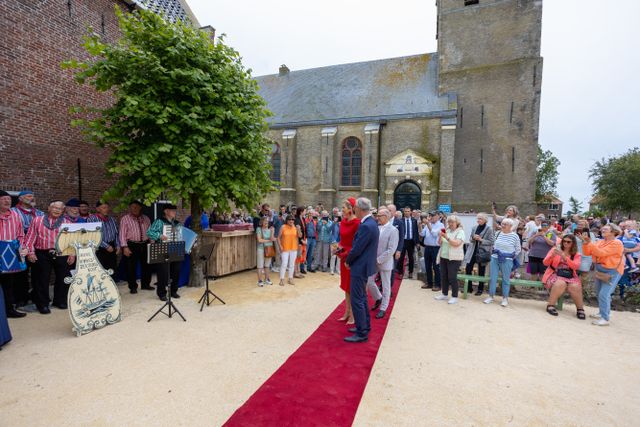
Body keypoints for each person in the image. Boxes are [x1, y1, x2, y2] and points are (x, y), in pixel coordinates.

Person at [24, 200, 74, 313]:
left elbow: (71, 240)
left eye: (60, 209)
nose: (57, 210)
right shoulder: (37, 220)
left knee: (63, 278)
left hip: (62, 253)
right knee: (41, 279)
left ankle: (60, 301)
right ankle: (42, 304)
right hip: (42, 253)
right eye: (55, 208)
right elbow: (30, 238)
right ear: (49, 208)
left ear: (63, 211)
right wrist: (30, 252)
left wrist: (72, 254)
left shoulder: (67, 222)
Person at [344, 197, 379, 343]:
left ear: (359, 209)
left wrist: (348, 260)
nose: (354, 211)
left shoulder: (366, 225)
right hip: (365, 265)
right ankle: (364, 326)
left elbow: (357, 248)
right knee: (362, 299)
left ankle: (361, 332)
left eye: (355, 209)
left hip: (360, 266)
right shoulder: (372, 223)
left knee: (357, 299)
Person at [581, 224, 624, 326]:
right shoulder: (600, 241)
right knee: (599, 292)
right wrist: (586, 243)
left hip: (612, 271)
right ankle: (601, 312)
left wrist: (590, 243)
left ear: (613, 232)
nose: (602, 229)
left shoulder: (617, 243)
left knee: (604, 294)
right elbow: (587, 253)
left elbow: (600, 253)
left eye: (606, 229)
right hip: (600, 269)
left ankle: (605, 318)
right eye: (602, 228)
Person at [11, 190, 44, 306]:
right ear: (20, 198)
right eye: (29, 196)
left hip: (36, 248)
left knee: (38, 273)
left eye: (33, 196)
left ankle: (37, 296)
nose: (32, 198)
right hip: (19, 248)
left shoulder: (39, 213)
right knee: (21, 274)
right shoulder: (12, 212)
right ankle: (21, 298)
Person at [0, 190, 29, 318]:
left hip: (11, 253)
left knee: (8, 283)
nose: (7, 201)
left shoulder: (16, 216)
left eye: (9, 199)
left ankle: (9, 310)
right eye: (4, 199)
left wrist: (23, 248)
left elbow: (21, 235)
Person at [542, 234, 584, 318]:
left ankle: (580, 309)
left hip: (569, 275)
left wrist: (564, 257)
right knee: (560, 283)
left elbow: (575, 266)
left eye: (568, 242)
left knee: (575, 286)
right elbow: (545, 263)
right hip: (554, 273)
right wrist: (552, 255)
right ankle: (550, 305)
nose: (566, 243)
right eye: (564, 241)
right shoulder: (555, 249)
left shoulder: (576, 254)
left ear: (573, 243)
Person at [367, 208, 399, 319]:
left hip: (385, 262)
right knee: (369, 281)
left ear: (386, 216)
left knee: (386, 286)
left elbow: (391, 249)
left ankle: (383, 308)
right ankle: (378, 298)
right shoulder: (377, 228)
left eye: (379, 215)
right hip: (373, 260)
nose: (377, 217)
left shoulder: (393, 230)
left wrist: (379, 259)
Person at [147, 204, 183, 301]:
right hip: (163, 249)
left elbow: (181, 235)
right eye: (172, 210)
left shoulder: (177, 223)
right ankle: (162, 293)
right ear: (166, 211)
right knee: (163, 272)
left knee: (176, 270)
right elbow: (149, 232)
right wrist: (159, 236)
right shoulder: (159, 221)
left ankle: (173, 291)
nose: (175, 212)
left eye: (175, 211)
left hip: (175, 249)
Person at [484, 218, 521, 307]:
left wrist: (509, 256)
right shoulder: (497, 233)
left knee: (505, 279)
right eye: (502, 224)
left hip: (507, 259)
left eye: (505, 224)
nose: (503, 225)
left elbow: (518, 249)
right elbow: (493, 245)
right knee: (493, 278)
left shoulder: (515, 236)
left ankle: (505, 298)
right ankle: (491, 296)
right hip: (495, 258)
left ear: (510, 226)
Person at [119, 201, 153, 294]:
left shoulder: (146, 218)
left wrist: (152, 243)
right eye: (132, 207)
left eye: (137, 207)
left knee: (147, 265)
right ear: (130, 208)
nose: (134, 209)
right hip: (132, 245)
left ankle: (146, 284)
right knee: (131, 267)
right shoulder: (125, 219)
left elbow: (150, 232)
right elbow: (122, 234)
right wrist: (125, 247)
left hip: (145, 244)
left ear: (140, 208)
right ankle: (133, 287)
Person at [336, 198, 359, 324]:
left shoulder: (357, 223)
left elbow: (357, 243)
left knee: (352, 287)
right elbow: (342, 240)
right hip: (343, 256)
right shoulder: (343, 221)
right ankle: (347, 312)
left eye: (343, 207)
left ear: (350, 209)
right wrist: (338, 248)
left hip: (351, 258)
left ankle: (353, 315)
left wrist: (347, 253)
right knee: (346, 287)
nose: (342, 210)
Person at [434, 215, 466, 304]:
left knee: (452, 277)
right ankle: (444, 294)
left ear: (457, 223)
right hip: (443, 256)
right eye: (449, 222)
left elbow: (456, 243)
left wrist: (446, 237)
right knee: (444, 276)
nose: (450, 224)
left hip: (454, 258)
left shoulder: (461, 232)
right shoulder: (447, 230)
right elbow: (439, 243)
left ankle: (454, 296)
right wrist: (441, 236)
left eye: (452, 222)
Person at [463, 213, 494, 296]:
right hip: (472, 251)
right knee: (468, 269)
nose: (478, 220)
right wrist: (473, 238)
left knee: (481, 271)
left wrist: (481, 239)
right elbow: (470, 239)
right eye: (478, 218)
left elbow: (491, 242)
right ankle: (469, 288)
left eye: (480, 218)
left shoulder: (489, 229)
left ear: (485, 220)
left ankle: (480, 289)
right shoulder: (474, 228)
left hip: (482, 252)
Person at [89, 201, 119, 278]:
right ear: (98, 209)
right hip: (99, 248)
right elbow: (93, 236)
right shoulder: (92, 219)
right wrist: (106, 246)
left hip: (112, 247)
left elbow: (116, 234)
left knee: (112, 269)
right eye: (104, 208)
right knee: (101, 270)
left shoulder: (112, 219)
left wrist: (118, 246)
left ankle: (112, 287)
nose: (106, 209)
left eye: (107, 207)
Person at [421, 211, 444, 291]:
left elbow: (434, 234)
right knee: (427, 266)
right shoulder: (428, 224)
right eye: (430, 215)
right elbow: (422, 234)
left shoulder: (441, 225)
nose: (431, 217)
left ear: (438, 216)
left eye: (433, 216)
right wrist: (420, 225)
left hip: (435, 248)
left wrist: (428, 224)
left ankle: (438, 284)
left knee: (436, 266)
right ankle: (429, 283)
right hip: (427, 247)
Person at [278, 214, 300, 286]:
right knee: (284, 263)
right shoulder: (283, 227)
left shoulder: (295, 227)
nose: (291, 221)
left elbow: (300, 236)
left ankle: (290, 278)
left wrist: (299, 229)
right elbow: (278, 237)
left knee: (292, 264)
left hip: (294, 248)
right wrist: (280, 246)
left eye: (292, 219)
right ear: (287, 220)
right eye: (289, 219)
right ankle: (282, 279)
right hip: (285, 248)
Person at [398, 207, 419, 279]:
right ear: (404, 212)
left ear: (411, 212)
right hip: (403, 241)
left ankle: (410, 272)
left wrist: (417, 242)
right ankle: (400, 272)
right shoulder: (400, 220)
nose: (407, 212)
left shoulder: (414, 221)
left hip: (411, 241)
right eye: (405, 211)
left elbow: (416, 231)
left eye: (408, 211)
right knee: (401, 258)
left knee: (411, 257)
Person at [256, 216, 275, 286]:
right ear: (261, 222)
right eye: (265, 221)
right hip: (261, 249)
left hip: (269, 248)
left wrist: (272, 232)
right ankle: (260, 280)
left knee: (267, 265)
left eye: (267, 221)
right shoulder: (259, 229)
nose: (266, 222)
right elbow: (259, 240)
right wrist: (268, 240)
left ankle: (267, 279)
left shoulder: (270, 229)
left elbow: (272, 238)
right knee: (260, 265)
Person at [294, 207, 307, 276]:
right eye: (305, 211)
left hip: (303, 239)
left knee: (300, 256)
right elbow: (297, 232)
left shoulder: (303, 219)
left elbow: (305, 230)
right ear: (301, 212)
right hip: (298, 241)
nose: (305, 212)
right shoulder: (296, 220)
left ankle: (298, 271)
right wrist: (301, 240)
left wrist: (305, 238)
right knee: (297, 256)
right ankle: (296, 272)